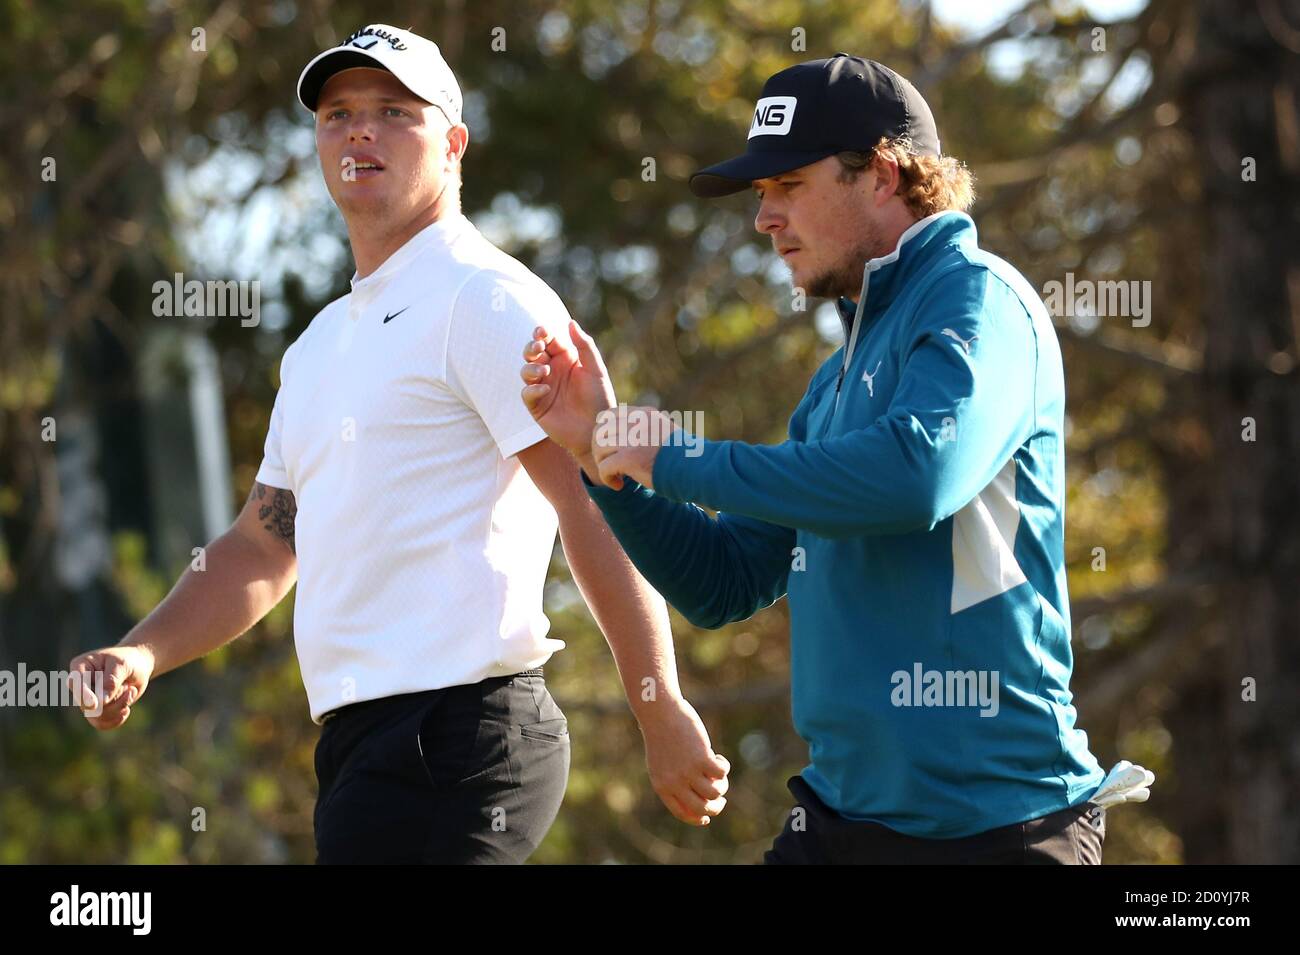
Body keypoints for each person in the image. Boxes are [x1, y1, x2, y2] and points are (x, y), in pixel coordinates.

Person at [69, 23, 728, 864]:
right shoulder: (315, 348)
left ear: (453, 144)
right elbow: (264, 543)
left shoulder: (485, 298)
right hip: (359, 750)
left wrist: (658, 701)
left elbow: (589, 500)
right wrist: (143, 650)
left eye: (392, 110)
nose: (359, 131)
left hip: (463, 734)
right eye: (338, 114)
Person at [521, 53, 1139, 863]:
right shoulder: (830, 384)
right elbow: (726, 580)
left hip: (1003, 833)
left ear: (881, 175)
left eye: (788, 185)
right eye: (760, 194)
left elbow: (918, 476)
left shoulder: (982, 297)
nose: (764, 217)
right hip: (839, 825)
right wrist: (609, 463)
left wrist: (675, 453)